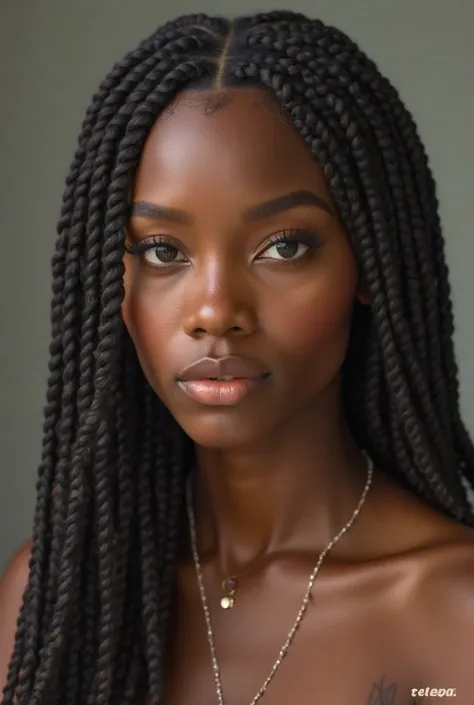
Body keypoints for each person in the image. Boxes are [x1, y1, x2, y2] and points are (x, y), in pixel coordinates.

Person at [1, 9, 474, 705]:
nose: (216, 310)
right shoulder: (51, 601)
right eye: (164, 251)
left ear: (368, 265)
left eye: (284, 246)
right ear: (114, 282)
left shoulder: (455, 609)